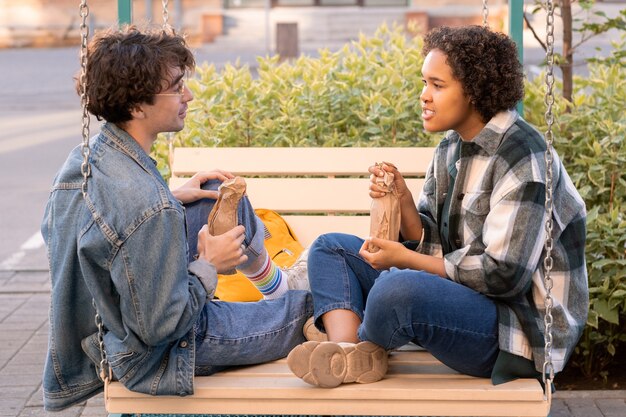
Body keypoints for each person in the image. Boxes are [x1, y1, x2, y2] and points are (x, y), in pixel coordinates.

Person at [287, 25, 589, 389]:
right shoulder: (451, 147)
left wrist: (404, 259)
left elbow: (503, 275)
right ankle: (349, 353)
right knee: (330, 248)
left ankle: (358, 341)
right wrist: (404, 204)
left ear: (475, 91)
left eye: (437, 85)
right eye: (424, 83)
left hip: (514, 330)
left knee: (395, 291)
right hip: (462, 299)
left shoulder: (523, 155)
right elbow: (436, 243)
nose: (424, 96)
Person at [41, 26, 312, 411]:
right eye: (176, 87)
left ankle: (275, 282)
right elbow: (162, 327)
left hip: (116, 322)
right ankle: (303, 304)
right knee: (311, 304)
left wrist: (170, 195)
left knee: (214, 195)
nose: (189, 95)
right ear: (137, 105)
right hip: (160, 352)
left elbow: (99, 235)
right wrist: (208, 265)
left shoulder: (85, 160)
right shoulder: (149, 206)